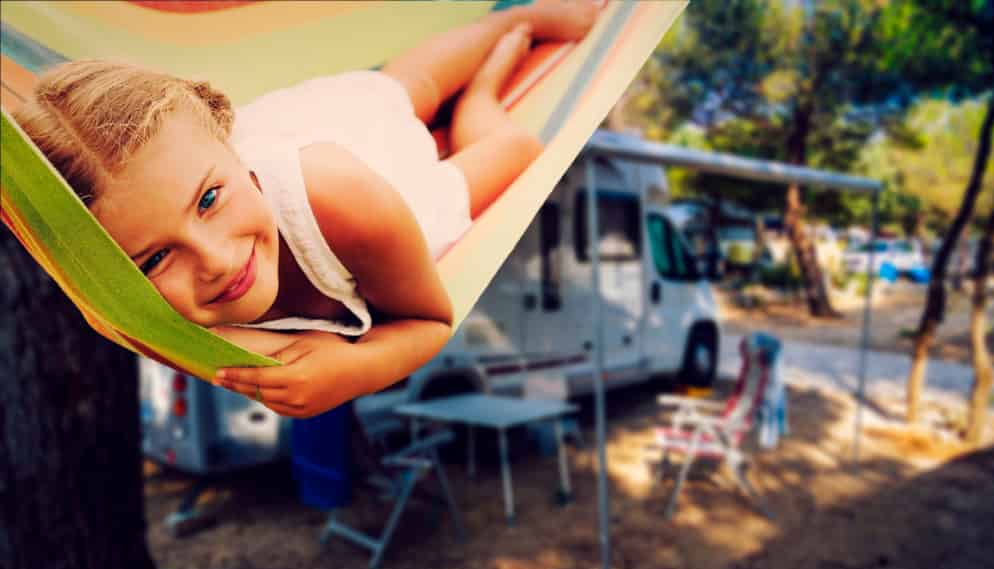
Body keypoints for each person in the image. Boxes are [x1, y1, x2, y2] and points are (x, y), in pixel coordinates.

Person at [12, 0, 599, 417]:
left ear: (227, 139)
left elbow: (429, 321)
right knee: (403, 87)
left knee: (416, 95)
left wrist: (356, 370)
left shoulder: (340, 195)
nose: (215, 262)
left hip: (371, 180)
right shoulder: (138, 314)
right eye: (154, 259)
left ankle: (508, 36)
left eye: (210, 201)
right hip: (284, 172)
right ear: (112, 283)